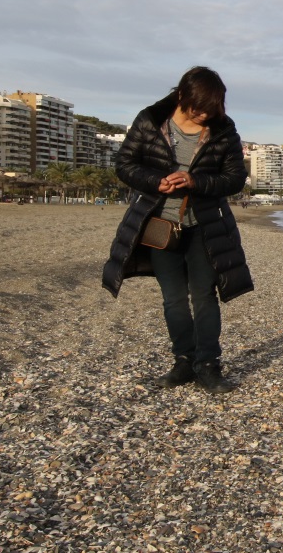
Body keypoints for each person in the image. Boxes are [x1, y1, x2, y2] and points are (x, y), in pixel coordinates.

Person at [102, 66, 253, 394]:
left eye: (211, 110)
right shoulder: (150, 121)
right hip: (158, 224)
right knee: (173, 298)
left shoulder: (224, 130)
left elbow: (235, 178)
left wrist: (195, 180)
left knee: (204, 296)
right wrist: (155, 181)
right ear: (182, 95)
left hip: (204, 225)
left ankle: (209, 364)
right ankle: (184, 361)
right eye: (199, 108)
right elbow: (124, 165)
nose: (204, 115)